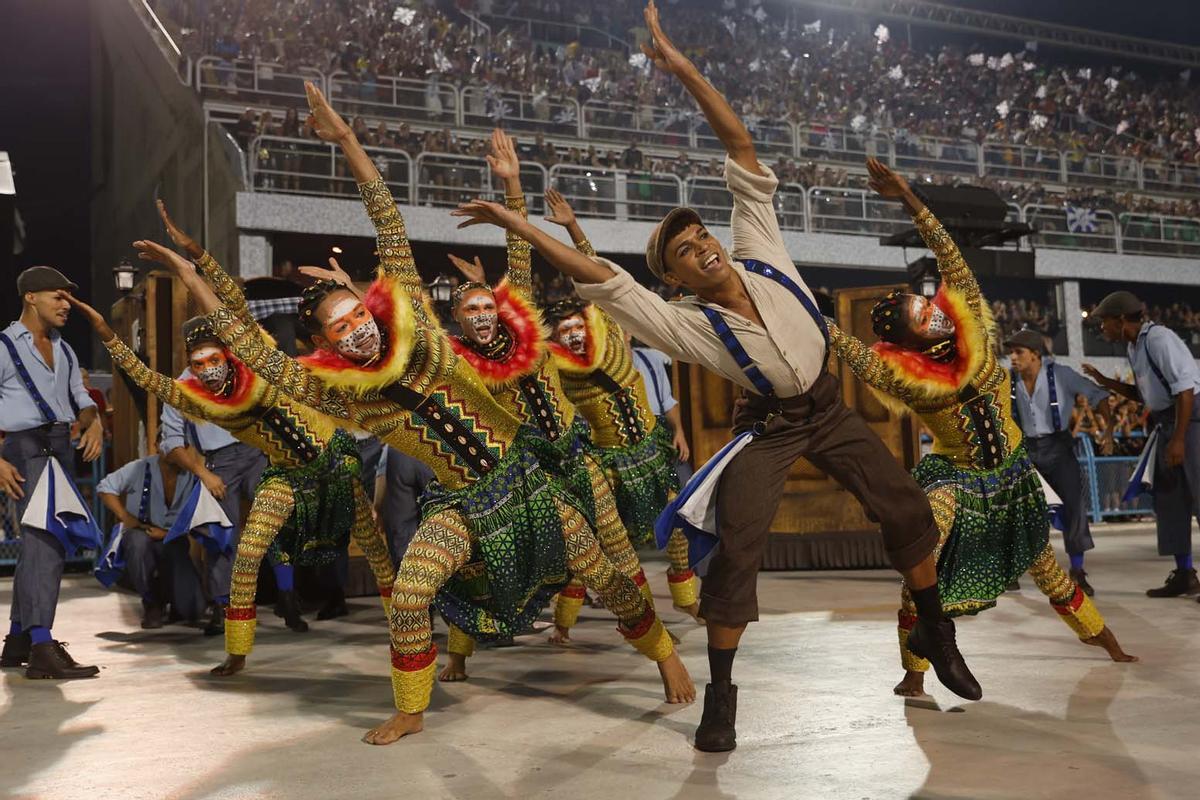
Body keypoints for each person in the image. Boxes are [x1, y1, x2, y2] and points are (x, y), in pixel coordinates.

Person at [450, 0, 975, 753]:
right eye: (688, 251)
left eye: (702, 237)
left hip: (829, 407)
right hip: (770, 426)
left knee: (904, 507)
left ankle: (936, 626)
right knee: (739, 548)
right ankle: (721, 694)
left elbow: (738, 142)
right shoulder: (686, 324)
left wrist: (686, 69)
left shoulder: (760, 247)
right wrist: (513, 221)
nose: (705, 248)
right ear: (678, 281)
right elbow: (599, 273)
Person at [167, 80, 693, 745]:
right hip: (459, 507)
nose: (356, 328)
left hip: (529, 487)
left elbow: (386, 217)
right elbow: (253, 351)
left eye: (357, 312)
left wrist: (349, 142)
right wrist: (197, 278)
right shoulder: (342, 394)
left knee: (609, 578)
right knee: (412, 594)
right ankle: (411, 707)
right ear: (326, 346)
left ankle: (664, 652)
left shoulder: (419, 320)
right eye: (340, 328)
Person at [827, 159, 1136, 698]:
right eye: (923, 318)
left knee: (1047, 568)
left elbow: (948, 251)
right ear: (907, 341)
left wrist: (907, 195)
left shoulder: (967, 314)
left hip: (1014, 478)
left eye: (929, 305)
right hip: (957, 481)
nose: (936, 314)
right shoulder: (898, 376)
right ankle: (914, 670)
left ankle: (1104, 638)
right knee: (921, 561)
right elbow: (836, 339)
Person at [69, 260, 395, 678]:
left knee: (374, 548)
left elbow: (238, 314)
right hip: (277, 471)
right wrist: (108, 336)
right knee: (244, 552)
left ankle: (391, 626)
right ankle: (237, 649)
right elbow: (151, 383)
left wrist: (196, 268)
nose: (208, 368)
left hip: (328, 463)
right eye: (199, 362)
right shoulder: (196, 393)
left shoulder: (260, 366)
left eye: (214, 357)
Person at [539, 190, 700, 624]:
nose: (573, 335)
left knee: (680, 528)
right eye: (564, 331)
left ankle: (686, 598)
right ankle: (574, 619)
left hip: (651, 454)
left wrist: (573, 227)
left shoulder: (610, 338)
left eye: (577, 326)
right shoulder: (559, 369)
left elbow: (593, 274)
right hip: (606, 466)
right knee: (601, 544)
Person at [0, 266, 104, 680]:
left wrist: (93, 418)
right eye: (58, 296)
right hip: (25, 449)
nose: (67, 304)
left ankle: (18, 641)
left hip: (60, 447)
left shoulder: (63, 347)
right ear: (31, 298)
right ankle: (42, 645)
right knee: (47, 543)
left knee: (37, 544)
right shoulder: (5, 346)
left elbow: (80, 395)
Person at [1083, 290, 1200, 598]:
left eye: (1105, 322)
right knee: (1170, 502)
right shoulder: (1135, 346)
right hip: (1167, 423)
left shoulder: (1159, 339)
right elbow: (1145, 395)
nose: (1102, 328)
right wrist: (1106, 382)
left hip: (1190, 423)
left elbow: (1186, 390)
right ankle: (1185, 575)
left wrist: (1178, 440)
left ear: (1122, 320)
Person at [1006, 329, 1113, 595]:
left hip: (1059, 448)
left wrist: (1108, 430)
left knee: (1074, 506)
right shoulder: (1008, 381)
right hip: (1026, 450)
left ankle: (1077, 570)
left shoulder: (1061, 374)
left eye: (1019, 352)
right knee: (1020, 511)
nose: (1013, 357)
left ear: (1035, 355)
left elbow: (1098, 395)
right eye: (1011, 352)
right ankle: (1014, 570)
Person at [96, 453, 204, 629]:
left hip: (172, 536)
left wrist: (168, 533)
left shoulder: (191, 475)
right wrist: (124, 516)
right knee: (137, 544)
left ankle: (174, 597)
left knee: (194, 611)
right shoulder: (140, 467)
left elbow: (199, 514)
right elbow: (105, 487)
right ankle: (151, 602)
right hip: (141, 531)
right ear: (158, 445)